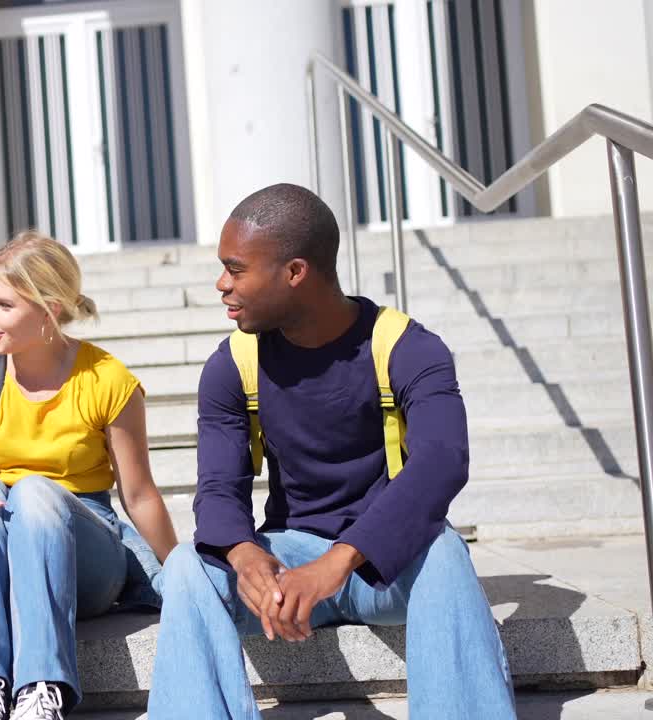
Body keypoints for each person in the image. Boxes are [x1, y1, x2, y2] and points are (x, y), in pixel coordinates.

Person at [147, 185, 516, 719]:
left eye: (236, 269)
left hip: (384, 565)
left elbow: (442, 462)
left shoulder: (407, 347)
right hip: (286, 565)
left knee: (443, 549)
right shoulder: (232, 364)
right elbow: (218, 488)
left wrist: (339, 562)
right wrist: (245, 554)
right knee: (186, 565)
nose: (222, 285)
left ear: (295, 272)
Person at [0, 232, 178, 720]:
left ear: (49, 309)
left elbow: (139, 495)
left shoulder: (107, 379)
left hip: (84, 558)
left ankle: (41, 687)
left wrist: (179, 573)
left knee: (33, 491)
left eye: (3, 304)